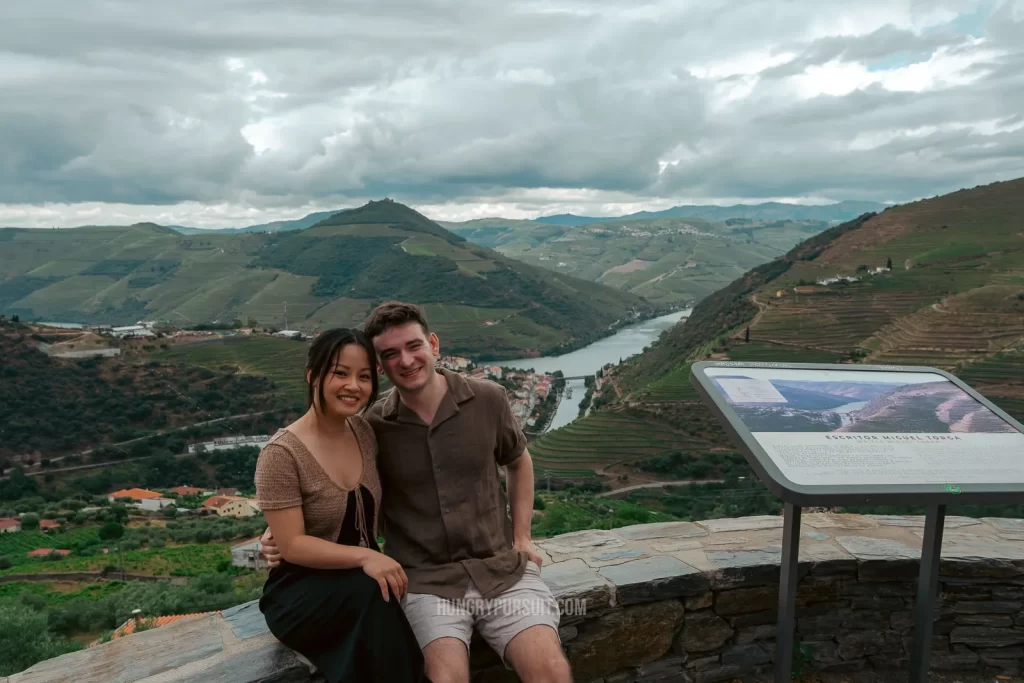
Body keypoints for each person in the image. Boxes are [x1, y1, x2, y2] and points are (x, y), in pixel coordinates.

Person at [262, 302, 573, 683]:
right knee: (444, 677)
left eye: (413, 346)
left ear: (434, 344)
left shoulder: (487, 399)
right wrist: (278, 533)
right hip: (426, 583)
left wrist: (523, 537)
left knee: (551, 670)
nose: (405, 361)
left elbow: (519, 460)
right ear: (381, 366)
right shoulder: (372, 426)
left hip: (502, 571)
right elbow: (325, 490)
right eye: (390, 354)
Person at [253, 327, 431, 683]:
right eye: (340, 373)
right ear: (313, 375)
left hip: (359, 586)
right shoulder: (282, 454)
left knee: (378, 594)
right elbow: (291, 545)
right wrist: (367, 556)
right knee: (375, 593)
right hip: (300, 593)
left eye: (364, 376)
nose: (354, 385)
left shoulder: (364, 433)